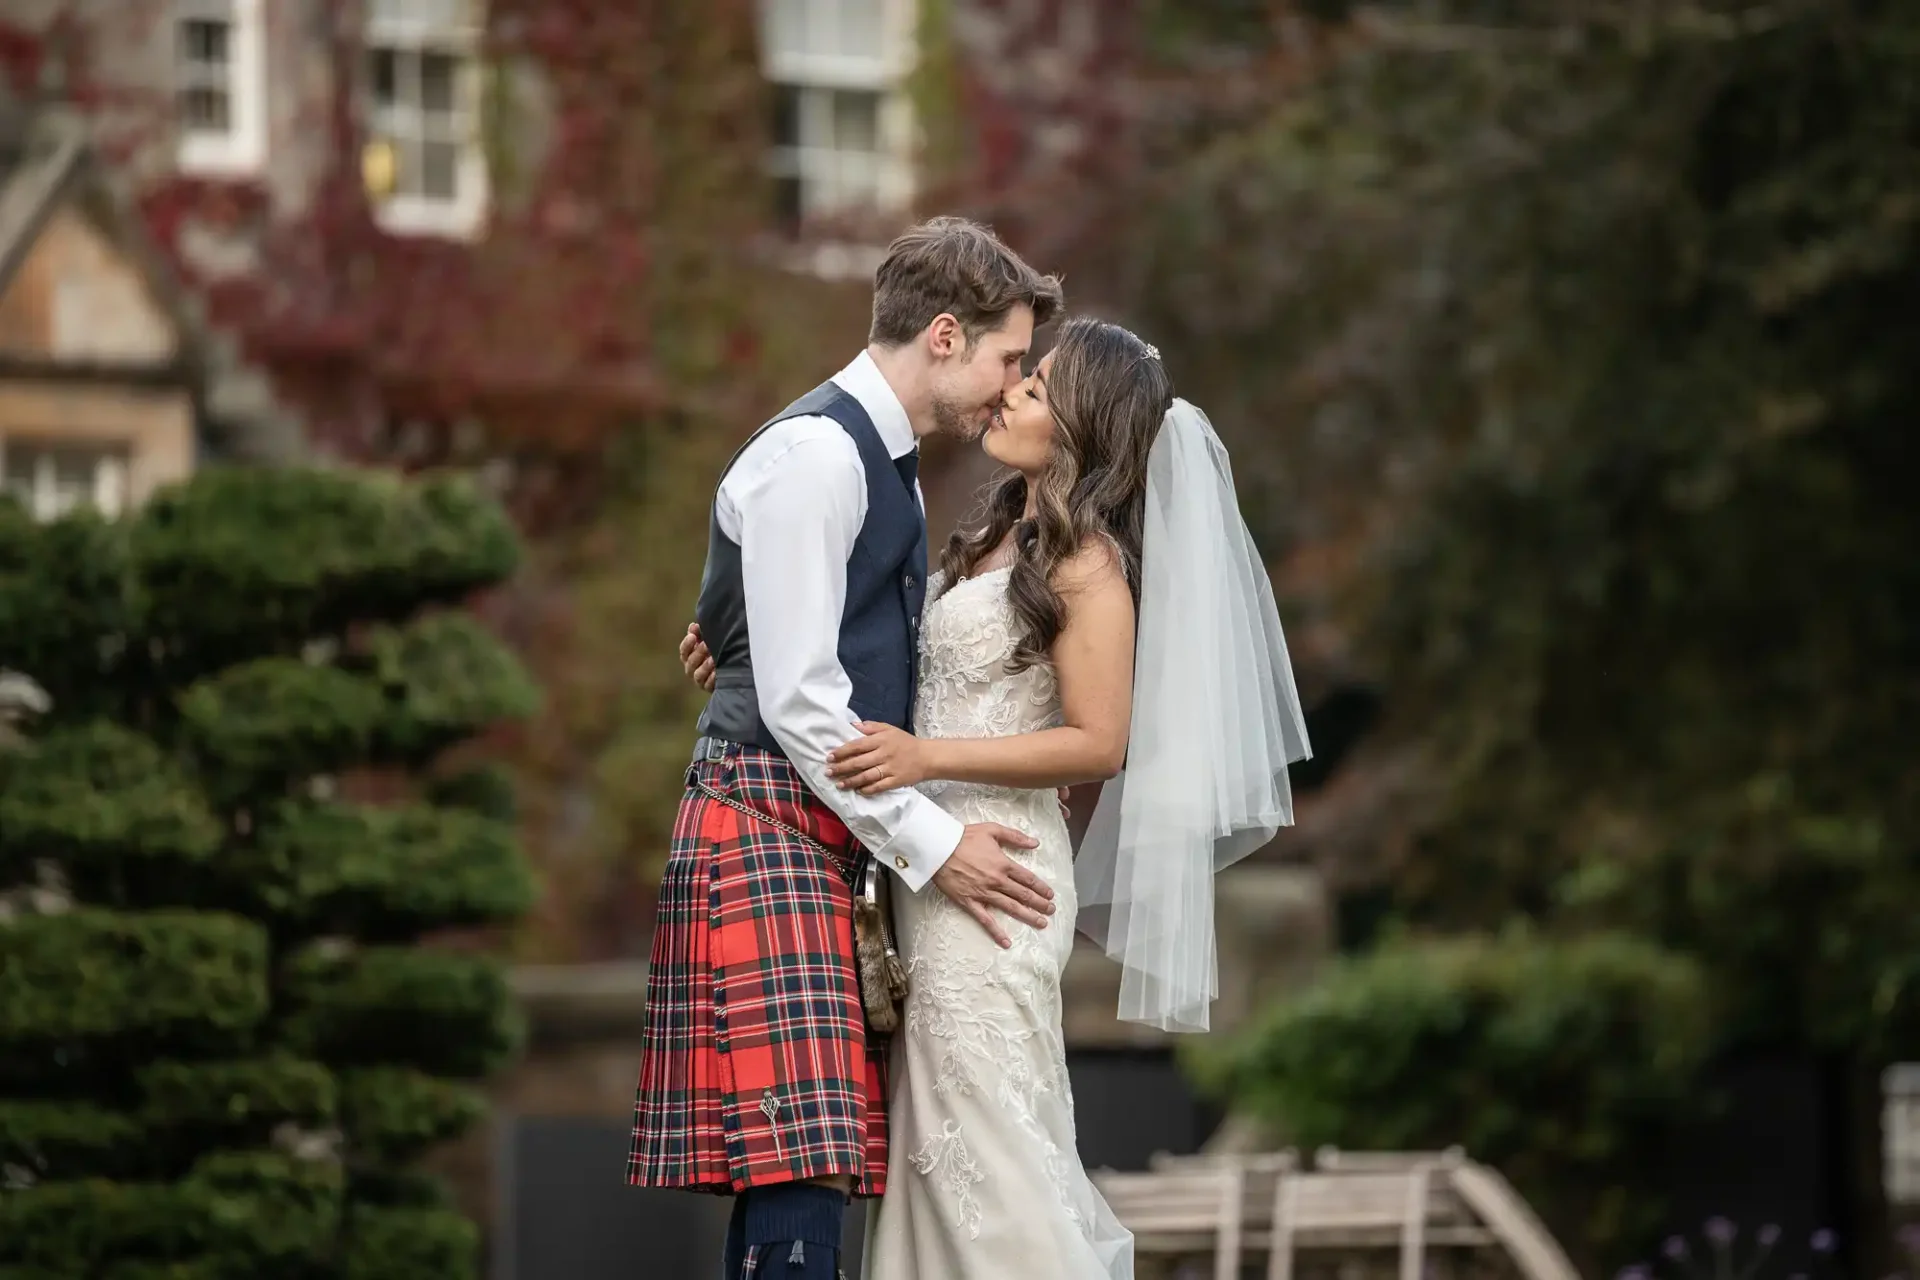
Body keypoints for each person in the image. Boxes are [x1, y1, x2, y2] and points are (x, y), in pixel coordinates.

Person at [678, 314, 1313, 1279]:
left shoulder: (1089, 562)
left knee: (993, 1156)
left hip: (997, 881)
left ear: (1083, 422)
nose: (1012, 389)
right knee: (935, 1163)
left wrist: (926, 761)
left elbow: (1099, 742)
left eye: (1040, 384)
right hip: (929, 877)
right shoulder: (991, 535)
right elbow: (886, 655)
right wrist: (749, 642)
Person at [626, 217, 1066, 1280]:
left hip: (819, 831)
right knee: (801, 1159)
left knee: (808, 1161)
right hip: (765, 814)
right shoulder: (818, 454)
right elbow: (803, 699)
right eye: (1009, 357)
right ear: (947, 337)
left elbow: (821, 648)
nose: (1013, 383)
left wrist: (728, 636)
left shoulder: (888, 468)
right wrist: (936, 844)